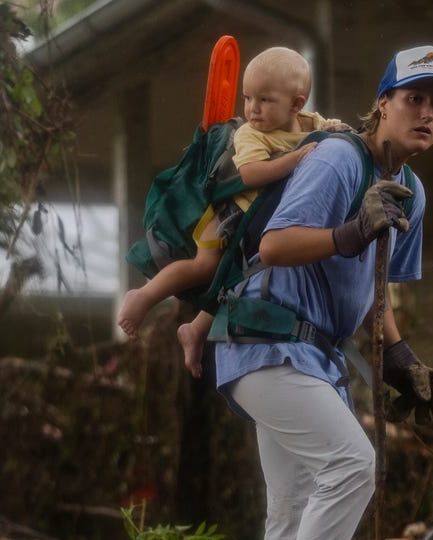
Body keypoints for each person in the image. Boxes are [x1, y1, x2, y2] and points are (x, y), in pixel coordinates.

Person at [203, 45, 433, 540]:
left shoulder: (412, 191)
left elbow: (376, 294)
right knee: (352, 464)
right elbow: (275, 244)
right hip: (264, 336)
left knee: (291, 507)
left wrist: (399, 356)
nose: (427, 113)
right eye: (414, 99)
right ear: (383, 103)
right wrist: (351, 231)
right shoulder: (338, 158)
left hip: (312, 356)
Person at [117, 46, 344, 368]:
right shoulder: (251, 134)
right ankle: (145, 296)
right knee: (206, 267)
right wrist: (293, 160)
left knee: (238, 283)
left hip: (259, 222)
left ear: (297, 104)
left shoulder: (310, 124)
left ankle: (195, 331)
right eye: (248, 98)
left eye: (264, 100)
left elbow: (329, 128)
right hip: (229, 214)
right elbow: (250, 174)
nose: (253, 109)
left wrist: (338, 132)